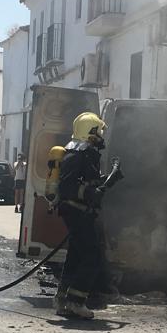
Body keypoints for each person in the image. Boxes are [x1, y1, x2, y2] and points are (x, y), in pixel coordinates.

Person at [54, 112, 110, 319]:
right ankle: (76, 302)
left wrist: (105, 181)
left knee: (76, 256)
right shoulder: (77, 154)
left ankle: (63, 300)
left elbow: (87, 181)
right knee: (92, 257)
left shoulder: (86, 154)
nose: (102, 135)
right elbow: (68, 186)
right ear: (90, 133)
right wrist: (89, 193)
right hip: (76, 211)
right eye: (99, 131)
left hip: (80, 211)